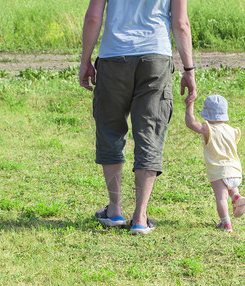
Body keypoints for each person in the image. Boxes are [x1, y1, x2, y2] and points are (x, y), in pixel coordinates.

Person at [79, 0, 197, 234]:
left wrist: (85, 61)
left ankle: (114, 210)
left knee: (111, 130)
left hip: (114, 57)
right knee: (150, 133)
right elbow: (181, 23)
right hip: (155, 58)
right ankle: (140, 217)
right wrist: (189, 69)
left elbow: (93, 17)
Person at [185, 95, 245, 232]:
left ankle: (226, 223)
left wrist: (189, 105)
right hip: (235, 170)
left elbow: (191, 123)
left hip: (219, 170)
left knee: (221, 198)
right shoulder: (231, 130)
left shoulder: (208, 129)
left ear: (207, 114)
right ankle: (236, 196)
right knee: (230, 187)